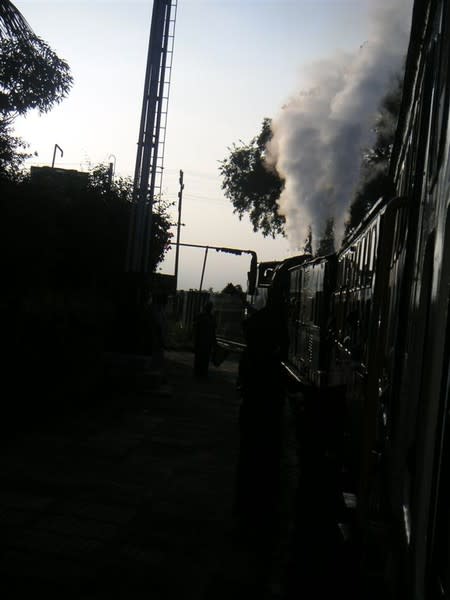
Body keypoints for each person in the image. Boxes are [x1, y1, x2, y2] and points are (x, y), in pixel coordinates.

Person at [193, 301, 217, 378]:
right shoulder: (211, 318)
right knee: (204, 359)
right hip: (205, 342)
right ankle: (202, 374)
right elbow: (213, 332)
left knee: (200, 358)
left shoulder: (201, 316)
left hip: (202, 341)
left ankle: (199, 373)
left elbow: (196, 329)